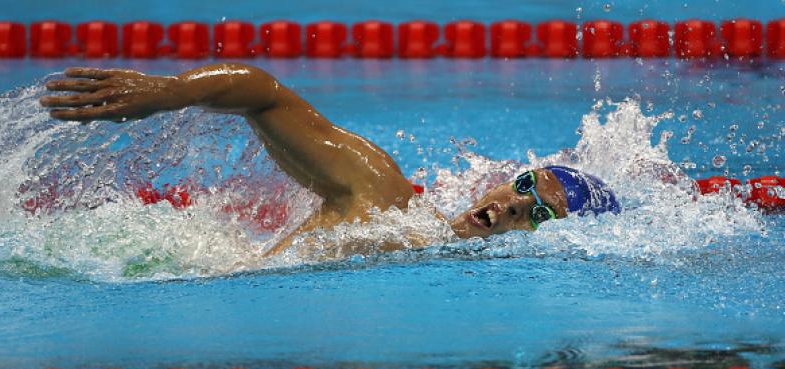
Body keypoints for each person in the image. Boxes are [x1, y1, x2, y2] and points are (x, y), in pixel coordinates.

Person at [39, 63, 619, 255]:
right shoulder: (383, 198)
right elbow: (264, 92)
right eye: (523, 184)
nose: (514, 205)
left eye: (539, 214)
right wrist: (167, 94)